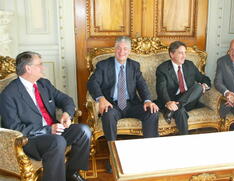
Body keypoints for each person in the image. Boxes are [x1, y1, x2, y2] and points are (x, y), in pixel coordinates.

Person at [0, 51, 91, 181]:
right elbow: (14, 128)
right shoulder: (9, 94)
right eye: (40, 64)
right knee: (58, 141)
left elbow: (66, 100)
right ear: (28, 68)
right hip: (30, 140)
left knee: (84, 131)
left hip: (54, 130)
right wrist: (48, 130)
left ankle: (71, 172)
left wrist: (67, 114)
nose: (43, 67)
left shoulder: (44, 84)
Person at [88, 36, 159, 141]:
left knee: (152, 111)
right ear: (114, 49)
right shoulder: (103, 65)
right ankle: (113, 150)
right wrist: (101, 99)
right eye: (118, 48)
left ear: (129, 51)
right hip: (112, 104)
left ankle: (149, 146)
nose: (121, 52)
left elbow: (142, 85)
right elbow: (92, 83)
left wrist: (147, 101)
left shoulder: (134, 66)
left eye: (125, 49)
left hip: (132, 104)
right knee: (108, 114)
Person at [156, 41, 211, 135]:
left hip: (189, 100)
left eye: (185, 52)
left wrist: (204, 86)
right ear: (172, 54)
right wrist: (168, 102)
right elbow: (161, 88)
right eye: (181, 53)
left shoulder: (189, 65)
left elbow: (204, 78)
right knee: (180, 111)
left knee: (198, 87)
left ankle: (175, 107)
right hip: (172, 101)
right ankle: (184, 140)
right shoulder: (163, 69)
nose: (184, 56)